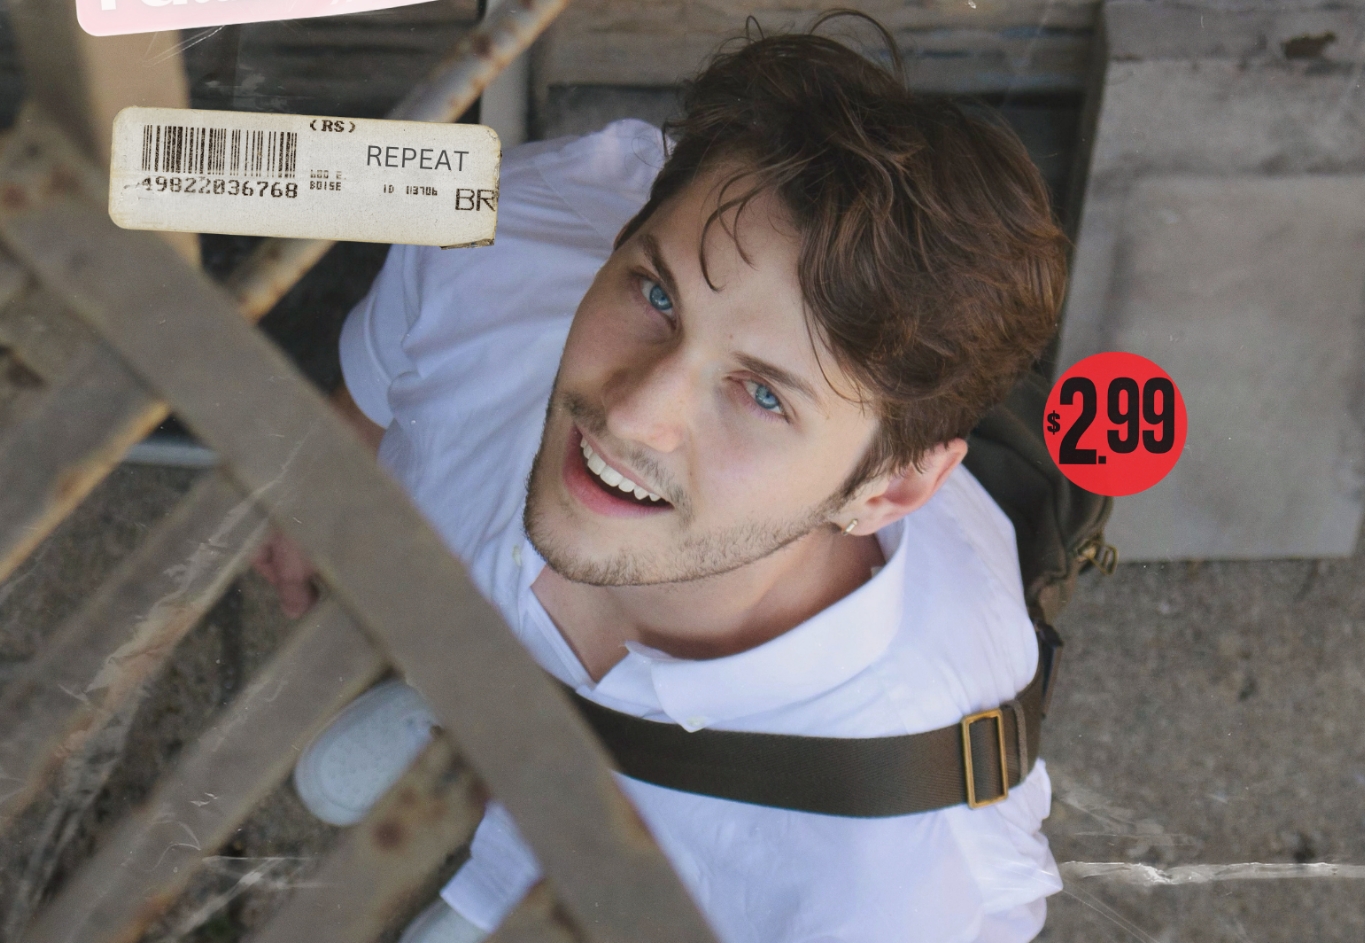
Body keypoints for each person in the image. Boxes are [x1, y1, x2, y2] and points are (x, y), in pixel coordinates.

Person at [255, 15, 1068, 943]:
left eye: (763, 394)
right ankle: (459, 713)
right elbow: (388, 357)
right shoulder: (506, 243)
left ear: (884, 491)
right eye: (656, 295)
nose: (632, 413)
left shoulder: (901, 881)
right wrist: (322, 483)